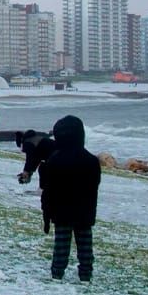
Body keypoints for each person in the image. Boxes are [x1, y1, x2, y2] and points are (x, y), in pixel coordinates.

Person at [39, 115, 101, 282]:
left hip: (61, 210)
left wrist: (47, 212)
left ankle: (57, 273)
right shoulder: (92, 161)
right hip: (84, 210)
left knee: (61, 244)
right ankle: (86, 274)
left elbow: (47, 189)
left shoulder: (54, 160)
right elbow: (95, 186)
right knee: (85, 245)